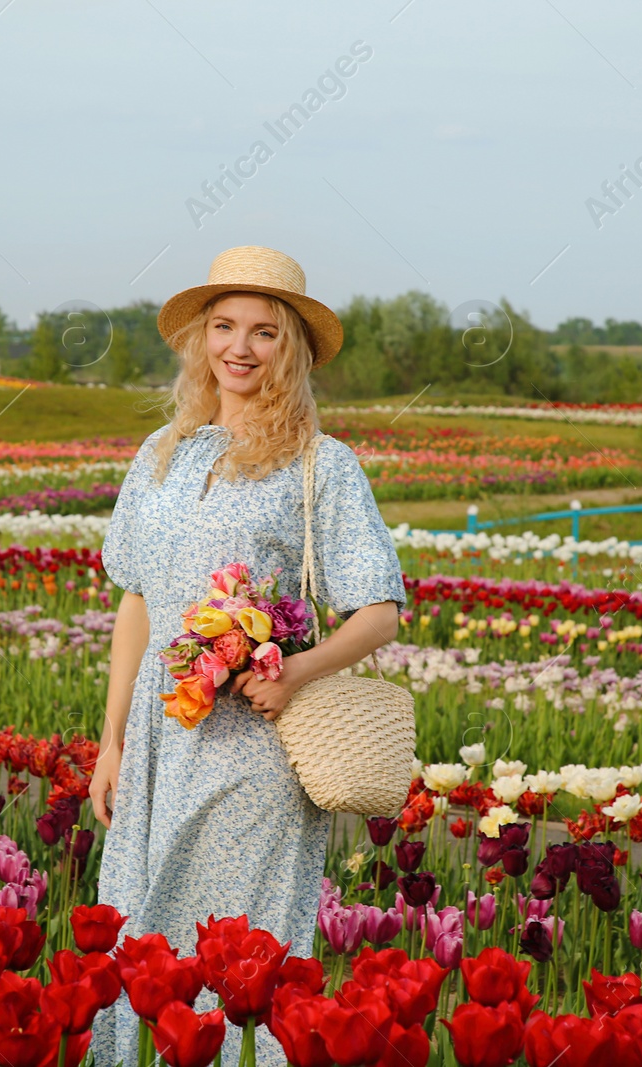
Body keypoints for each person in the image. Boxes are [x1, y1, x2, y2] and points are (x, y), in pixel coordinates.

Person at [89, 246, 407, 1066]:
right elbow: (135, 601)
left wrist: (295, 669)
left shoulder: (320, 467)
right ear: (201, 341)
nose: (241, 347)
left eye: (264, 332)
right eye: (224, 326)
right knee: (142, 931)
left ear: (291, 348)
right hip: (158, 746)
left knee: (239, 953)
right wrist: (113, 737)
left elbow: (381, 610)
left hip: (252, 752)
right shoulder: (160, 453)